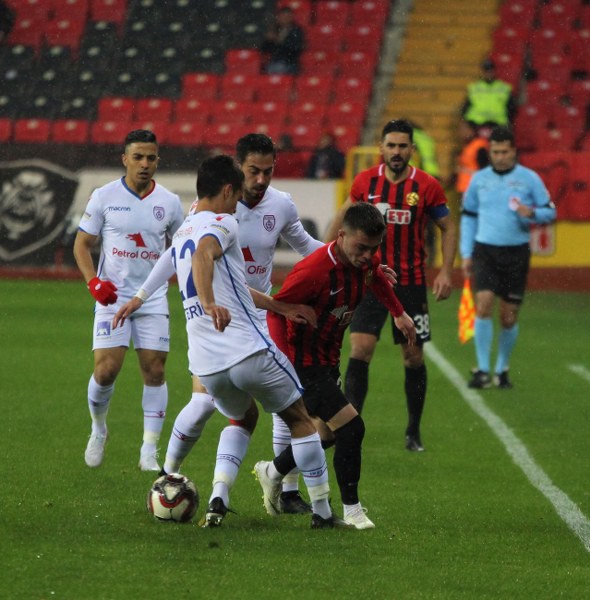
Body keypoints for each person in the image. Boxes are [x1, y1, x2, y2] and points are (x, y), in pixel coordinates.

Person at [117, 154, 346, 529]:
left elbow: (224, 279)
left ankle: (216, 497)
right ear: (227, 190)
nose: (240, 201)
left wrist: (280, 306)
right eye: (237, 193)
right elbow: (206, 254)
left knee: (243, 417)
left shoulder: (183, 229)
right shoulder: (222, 223)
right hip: (247, 349)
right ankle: (322, 512)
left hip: (208, 364)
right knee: (301, 419)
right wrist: (209, 302)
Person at [259, 202, 416, 529]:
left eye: (373, 249)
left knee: (325, 435)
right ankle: (351, 510)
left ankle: (272, 471)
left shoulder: (364, 261)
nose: (367, 255)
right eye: (361, 247)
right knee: (352, 428)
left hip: (328, 360)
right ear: (341, 235)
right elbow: (276, 309)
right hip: (304, 364)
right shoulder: (314, 271)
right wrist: (286, 365)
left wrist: (399, 313)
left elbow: (376, 278)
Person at [325, 119, 457, 452]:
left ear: (411, 149)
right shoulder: (365, 182)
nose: (396, 152)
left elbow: (448, 227)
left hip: (410, 284)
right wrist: (324, 259)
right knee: (360, 349)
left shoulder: (426, 186)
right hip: (370, 280)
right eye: (391, 145)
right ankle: (351, 427)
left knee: (412, 357)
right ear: (381, 147)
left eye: (402, 146)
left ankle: (413, 431)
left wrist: (445, 271)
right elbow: (343, 218)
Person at [73, 129, 184, 471]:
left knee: (155, 369)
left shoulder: (169, 202)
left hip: (150, 298)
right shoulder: (104, 196)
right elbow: (82, 245)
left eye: (151, 158)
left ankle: (149, 449)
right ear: (125, 159)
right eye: (138, 157)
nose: (145, 164)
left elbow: (182, 248)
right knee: (106, 371)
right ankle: (98, 428)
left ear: (157, 161)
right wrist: (94, 284)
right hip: (112, 296)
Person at [460, 126, 556, 389]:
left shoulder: (530, 179)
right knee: (483, 303)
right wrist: (466, 253)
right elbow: (468, 217)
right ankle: (482, 369)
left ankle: (502, 368)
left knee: (509, 316)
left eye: (504, 151)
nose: (500, 156)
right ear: (489, 152)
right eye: (495, 152)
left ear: (513, 151)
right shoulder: (479, 180)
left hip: (516, 252)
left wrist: (533, 213)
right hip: (485, 251)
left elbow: (550, 211)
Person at [461, 58, 517, 128]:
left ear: (494, 71)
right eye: (486, 70)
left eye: (490, 70)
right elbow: (466, 107)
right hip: (476, 124)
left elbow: (511, 108)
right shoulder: (474, 88)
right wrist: (465, 122)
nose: (488, 73)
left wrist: (509, 122)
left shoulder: (504, 88)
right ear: (482, 72)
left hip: (498, 124)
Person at [261, 6, 305, 75]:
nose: (284, 19)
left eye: (287, 16)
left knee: (277, 68)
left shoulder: (296, 31)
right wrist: (268, 40)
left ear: (291, 17)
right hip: (274, 62)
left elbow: (296, 48)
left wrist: (279, 41)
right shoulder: (275, 29)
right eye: (282, 16)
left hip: (290, 63)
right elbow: (264, 49)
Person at [454, 119, 490, 196]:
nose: (461, 132)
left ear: (471, 130)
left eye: (464, 129)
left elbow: (484, 169)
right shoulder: (468, 146)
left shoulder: (479, 146)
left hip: (474, 189)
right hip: (465, 188)